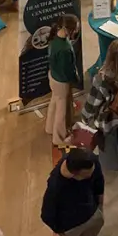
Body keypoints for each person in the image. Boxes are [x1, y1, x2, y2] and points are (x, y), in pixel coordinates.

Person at [82, 40, 118, 170]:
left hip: (108, 119)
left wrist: (85, 118)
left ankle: (113, 164)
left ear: (108, 55)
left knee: (108, 143)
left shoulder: (101, 78)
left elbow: (93, 103)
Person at [40, 147, 104, 236]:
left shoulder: (90, 160)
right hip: (71, 227)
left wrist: (100, 202)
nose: (91, 175)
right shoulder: (56, 187)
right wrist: (58, 229)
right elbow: (47, 214)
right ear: (75, 175)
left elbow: (99, 180)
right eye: (87, 175)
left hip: (93, 214)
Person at [45, 14, 79, 147]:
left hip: (53, 76)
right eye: (75, 29)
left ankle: (49, 128)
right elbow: (67, 71)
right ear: (68, 29)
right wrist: (75, 78)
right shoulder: (65, 48)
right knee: (62, 111)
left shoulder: (54, 38)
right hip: (62, 82)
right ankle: (59, 137)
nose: (76, 31)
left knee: (54, 101)